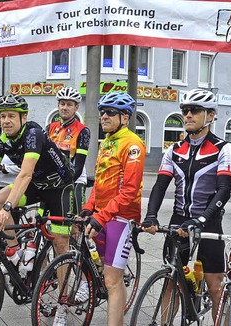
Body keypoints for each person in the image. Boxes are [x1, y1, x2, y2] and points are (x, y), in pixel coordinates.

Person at [0, 95, 74, 322]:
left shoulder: (33, 134)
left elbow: (25, 173)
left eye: (11, 116)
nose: (5, 120)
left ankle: (63, 304)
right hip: (38, 185)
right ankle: (14, 251)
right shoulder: (2, 140)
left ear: (23, 117)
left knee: (60, 245)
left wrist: (9, 208)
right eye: (2, 116)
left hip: (60, 188)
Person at [141, 88, 231, 320]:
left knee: (215, 286)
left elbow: (224, 190)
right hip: (179, 220)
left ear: (211, 116)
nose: (188, 115)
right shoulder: (174, 151)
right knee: (171, 281)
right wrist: (151, 215)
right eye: (185, 111)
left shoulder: (224, 149)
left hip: (209, 222)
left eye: (195, 110)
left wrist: (202, 219)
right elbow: (160, 186)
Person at [81, 91, 145, 325]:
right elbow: (100, 182)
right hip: (102, 216)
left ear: (125, 117)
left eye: (110, 112)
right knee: (112, 277)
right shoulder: (106, 142)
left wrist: (102, 215)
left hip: (120, 219)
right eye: (102, 112)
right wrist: (89, 207)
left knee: (111, 280)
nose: (104, 117)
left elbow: (129, 191)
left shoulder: (133, 144)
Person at [47, 86, 90, 211]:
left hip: (75, 178)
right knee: (43, 212)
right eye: (62, 104)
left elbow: (78, 165)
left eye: (69, 104)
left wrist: (65, 182)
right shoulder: (50, 127)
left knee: (76, 213)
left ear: (76, 107)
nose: (64, 107)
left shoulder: (83, 130)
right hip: (53, 178)